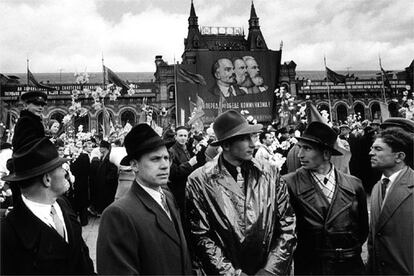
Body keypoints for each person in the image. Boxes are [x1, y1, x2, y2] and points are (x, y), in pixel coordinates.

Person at [186, 110, 296, 275]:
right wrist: (231, 273)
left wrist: (270, 270)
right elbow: (200, 235)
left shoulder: (270, 173)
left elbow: (287, 224)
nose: (252, 144)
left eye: (252, 137)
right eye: (244, 138)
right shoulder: (200, 180)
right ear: (226, 145)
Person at [97, 123, 192, 275]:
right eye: (155, 159)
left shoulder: (167, 196)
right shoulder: (118, 214)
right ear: (134, 165)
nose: (164, 165)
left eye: (167, 158)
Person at [282, 121, 368, 275]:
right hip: (312, 267)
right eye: (300, 147)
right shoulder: (288, 184)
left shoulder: (354, 184)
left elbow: (362, 230)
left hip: (350, 267)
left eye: (307, 148)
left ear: (327, 154)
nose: (300, 154)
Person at [0, 137, 94, 275]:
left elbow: (82, 258)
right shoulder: (9, 231)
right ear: (47, 179)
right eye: (60, 168)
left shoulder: (62, 204)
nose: (65, 172)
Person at [367, 127, 413, 275]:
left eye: (378, 149)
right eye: (372, 148)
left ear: (399, 156)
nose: (371, 153)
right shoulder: (376, 188)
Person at [168, 126, 199, 212]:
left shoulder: (185, 148)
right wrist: (189, 164)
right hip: (178, 189)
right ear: (176, 137)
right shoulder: (172, 151)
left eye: (185, 136)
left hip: (186, 187)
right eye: (180, 135)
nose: (183, 138)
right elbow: (173, 173)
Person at [95, 140, 118, 214]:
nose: (99, 149)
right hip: (102, 184)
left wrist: (107, 179)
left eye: (101, 147)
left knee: (108, 200)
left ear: (105, 148)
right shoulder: (102, 157)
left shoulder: (110, 157)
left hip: (108, 185)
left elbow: (113, 170)